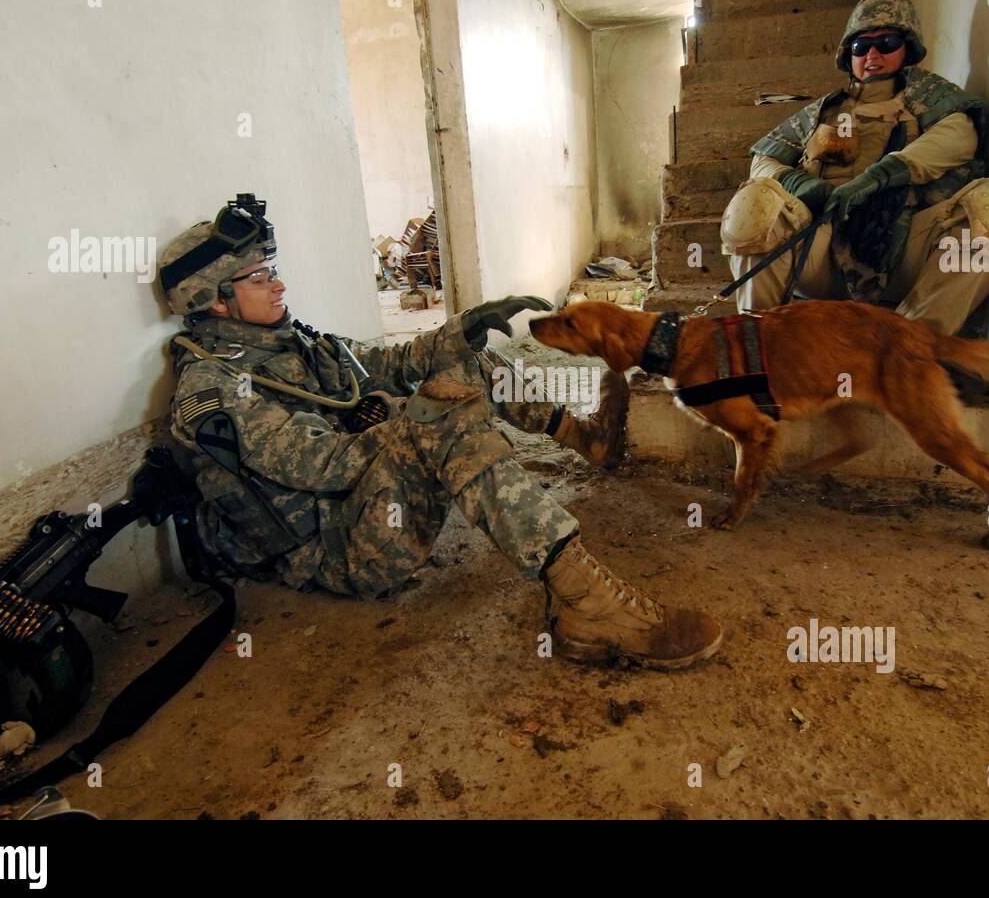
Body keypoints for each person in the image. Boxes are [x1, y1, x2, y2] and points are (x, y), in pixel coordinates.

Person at [158, 195, 723, 670]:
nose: (279, 286)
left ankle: (584, 439)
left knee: (465, 369)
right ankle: (589, 604)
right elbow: (320, 465)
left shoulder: (291, 342)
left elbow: (388, 364)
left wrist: (465, 329)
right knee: (440, 420)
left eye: (274, 270)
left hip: (367, 504)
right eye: (259, 277)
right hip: (343, 548)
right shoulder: (213, 386)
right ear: (212, 298)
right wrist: (416, 416)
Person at [721, 0, 989, 337]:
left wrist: (880, 177)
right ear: (847, 55)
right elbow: (763, 159)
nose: (872, 54)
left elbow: (957, 139)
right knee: (756, 202)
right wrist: (801, 185)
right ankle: (760, 349)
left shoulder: (934, 100)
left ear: (907, 48)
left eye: (886, 42)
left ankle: (909, 350)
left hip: (903, 246)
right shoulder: (823, 112)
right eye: (861, 46)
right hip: (822, 248)